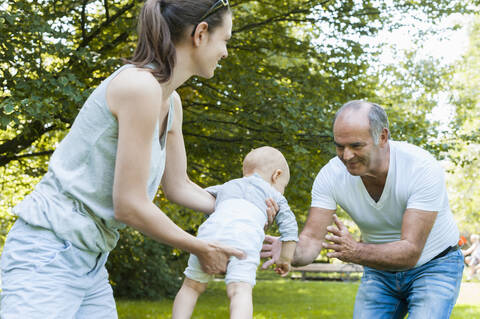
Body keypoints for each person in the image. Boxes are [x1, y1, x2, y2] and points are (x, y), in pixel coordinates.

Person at [0, 1, 278, 318]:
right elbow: (129, 205)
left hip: (90, 259)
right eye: (225, 40)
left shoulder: (170, 101)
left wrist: (243, 210)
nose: (226, 52)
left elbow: (178, 186)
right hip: (49, 251)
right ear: (201, 34)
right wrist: (199, 246)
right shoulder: (139, 87)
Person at [262, 100, 464, 319]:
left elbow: (410, 251)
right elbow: (311, 239)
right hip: (379, 269)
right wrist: (290, 250)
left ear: (383, 137)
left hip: (434, 265)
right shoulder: (330, 175)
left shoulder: (421, 168)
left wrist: (356, 251)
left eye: (356, 145)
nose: (346, 155)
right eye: (340, 146)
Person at [172, 146, 298, 319]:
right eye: (283, 186)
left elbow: (203, 196)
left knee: (191, 287)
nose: (282, 190)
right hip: (245, 237)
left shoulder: (227, 186)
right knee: (240, 290)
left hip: (209, 234)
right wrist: (285, 259)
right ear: (276, 175)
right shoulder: (273, 195)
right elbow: (290, 228)